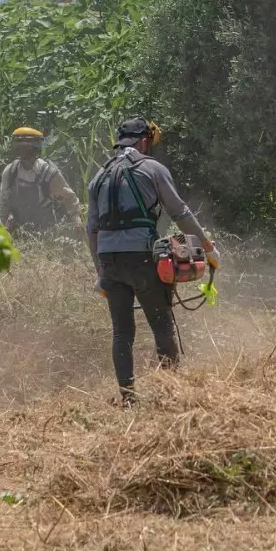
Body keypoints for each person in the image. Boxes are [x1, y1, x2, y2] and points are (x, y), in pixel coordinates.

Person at [87, 116, 218, 406]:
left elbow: (92, 228)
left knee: (122, 332)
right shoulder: (152, 168)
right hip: (141, 259)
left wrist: (99, 270)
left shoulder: (98, 178)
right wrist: (207, 248)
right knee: (161, 324)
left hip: (108, 260)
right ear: (144, 140)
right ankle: (170, 395)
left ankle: (128, 399)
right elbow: (180, 212)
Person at [0, 127, 84, 235]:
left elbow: (69, 196)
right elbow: (2, 204)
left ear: (35, 149)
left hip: (45, 230)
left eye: (27, 148)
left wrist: (77, 220)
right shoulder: (11, 171)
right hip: (17, 228)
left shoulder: (47, 172)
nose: (24, 152)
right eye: (21, 147)